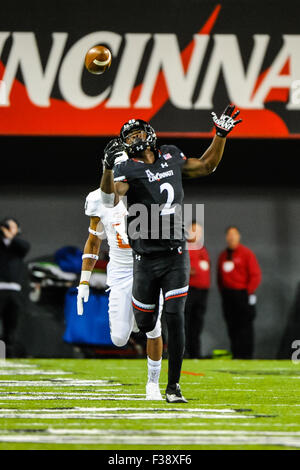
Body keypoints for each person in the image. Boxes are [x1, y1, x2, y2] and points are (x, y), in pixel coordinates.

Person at [99, 105, 242, 403]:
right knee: (147, 322)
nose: (136, 138)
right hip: (145, 258)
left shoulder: (171, 155)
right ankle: (152, 341)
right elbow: (111, 197)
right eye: (130, 135)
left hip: (176, 252)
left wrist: (220, 135)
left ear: (150, 134)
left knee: (175, 317)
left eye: (139, 131)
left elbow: (206, 166)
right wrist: (107, 168)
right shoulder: (127, 168)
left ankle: (173, 386)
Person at [77, 145, 163, 400]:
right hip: (121, 271)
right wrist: (84, 281)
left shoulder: (148, 190)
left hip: (147, 267)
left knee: (153, 328)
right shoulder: (98, 199)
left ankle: (153, 384)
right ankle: (137, 315)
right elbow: (94, 242)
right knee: (117, 338)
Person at [217, 225, 262, 359]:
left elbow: (255, 275)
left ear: (238, 236)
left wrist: (247, 292)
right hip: (228, 295)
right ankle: (236, 354)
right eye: (229, 235)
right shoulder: (223, 255)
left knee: (245, 327)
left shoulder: (246, 254)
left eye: (234, 234)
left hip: (242, 294)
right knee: (232, 326)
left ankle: (247, 355)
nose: (231, 238)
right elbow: (219, 277)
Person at [0, 217, 30, 357]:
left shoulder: (19, 246)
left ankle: (9, 355)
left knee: (11, 327)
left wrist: (10, 235)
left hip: (14, 291)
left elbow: (24, 247)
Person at [184, 221, 210, 358]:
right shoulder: (185, 247)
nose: (197, 234)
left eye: (199, 231)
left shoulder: (202, 249)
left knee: (197, 324)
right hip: (189, 291)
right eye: (194, 230)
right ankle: (185, 352)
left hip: (202, 292)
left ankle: (195, 353)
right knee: (185, 322)